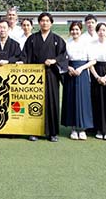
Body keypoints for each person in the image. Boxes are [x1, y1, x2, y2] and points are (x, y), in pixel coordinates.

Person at [22, 12, 67, 142]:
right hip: (35, 77)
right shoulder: (32, 39)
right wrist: (21, 63)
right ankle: (34, 131)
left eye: (47, 21)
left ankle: (52, 133)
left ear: (51, 23)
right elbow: (25, 56)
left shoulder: (57, 40)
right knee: (35, 103)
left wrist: (54, 61)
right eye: (42, 20)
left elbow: (63, 56)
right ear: (39, 23)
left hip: (52, 75)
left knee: (52, 102)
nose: (45, 23)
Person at [61, 21, 95, 140]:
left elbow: (92, 61)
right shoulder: (66, 43)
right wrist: (69, 68)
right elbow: (63, 59)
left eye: (77, 30)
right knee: (71, 99)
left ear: (81, 31)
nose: (75, 32)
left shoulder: (87, 43)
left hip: (83, 72)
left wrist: (80, 68)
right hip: (70, 73)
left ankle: (83, 129)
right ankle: (73, 128)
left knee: (83, 99)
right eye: (73, 30)